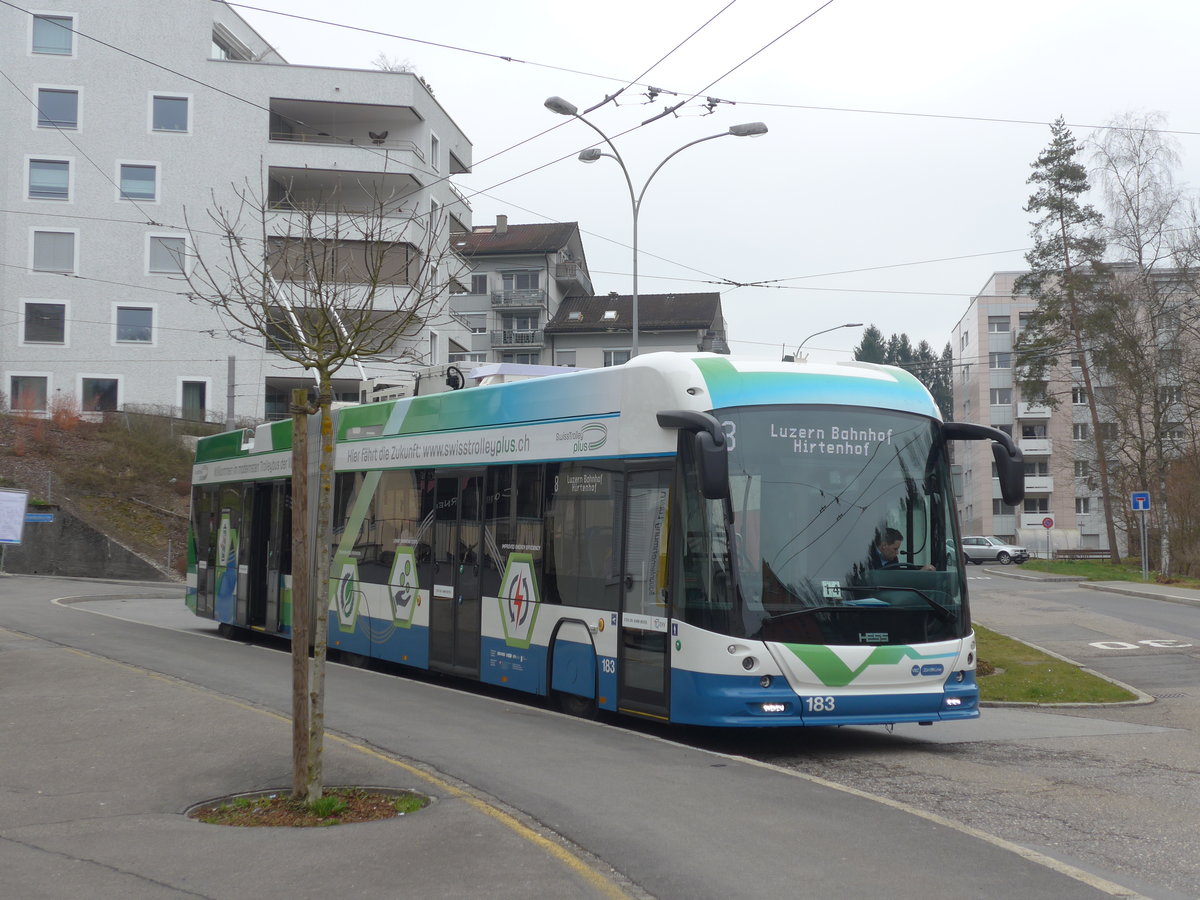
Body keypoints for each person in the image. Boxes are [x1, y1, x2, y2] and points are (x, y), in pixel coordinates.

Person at [870, 527, 934, 570]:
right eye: (895, 549)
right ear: (884, 545)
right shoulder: (865, 558)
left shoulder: (893, 560)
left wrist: (920, 574)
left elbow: (897, 580)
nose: (897, 553)